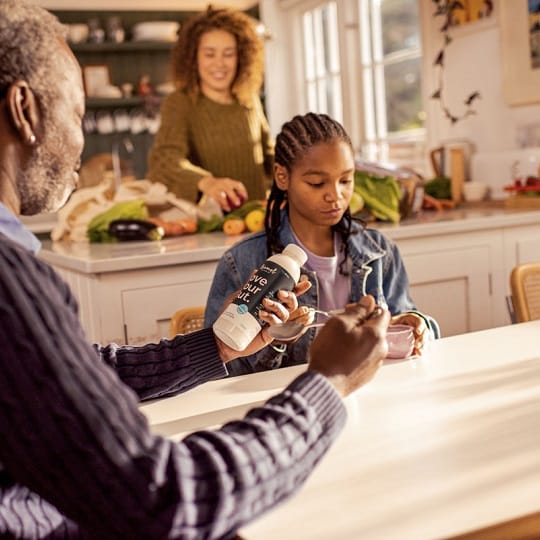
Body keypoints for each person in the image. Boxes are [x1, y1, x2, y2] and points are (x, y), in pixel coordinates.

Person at [0, 3, 391, 538]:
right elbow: (165, 497)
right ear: (23, 110)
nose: (83, 139)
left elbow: (78, 373)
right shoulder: (9, 281)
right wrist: (329, 382)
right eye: (76, 112)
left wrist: (217, 347)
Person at [205, 112, 440, 376]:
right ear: (282, 177)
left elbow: (404, 321)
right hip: (288, 406)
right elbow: (219, 368)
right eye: (317, 183)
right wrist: (277, 340)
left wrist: (417, 325)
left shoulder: (381, 251)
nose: (336, 196)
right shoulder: (242, 262)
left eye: (346, 180)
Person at [147, 6, 274, 213]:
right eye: (209, 54)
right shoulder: (180, 102)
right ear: (193, 58)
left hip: (257, 220)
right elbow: (166, 159)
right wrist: (207, 182)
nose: (219, 64)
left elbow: (268, 154)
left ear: (241, 57)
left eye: (228, 54)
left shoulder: (248, 99)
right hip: (212, 227)